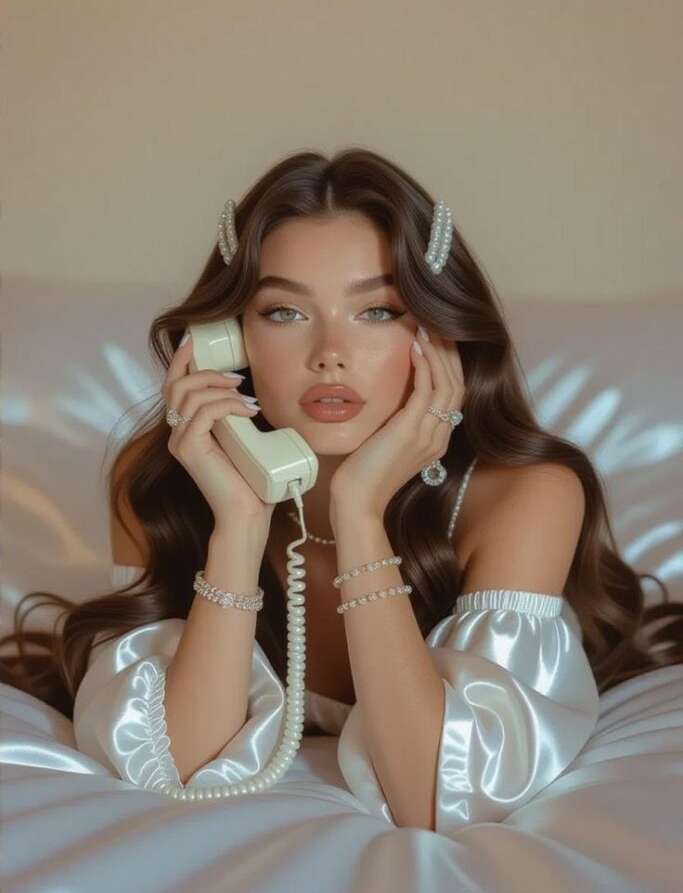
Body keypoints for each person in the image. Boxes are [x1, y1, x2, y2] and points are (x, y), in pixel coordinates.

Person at [3, 147, 682, 836]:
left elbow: (428, 793)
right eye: (285, 313)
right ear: (226, 340)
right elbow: (172, 769)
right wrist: (238, 523)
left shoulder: (524, 495)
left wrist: (360, 512)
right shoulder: (155, 482)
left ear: (439, 336)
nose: (329, 352)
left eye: (378, 312)